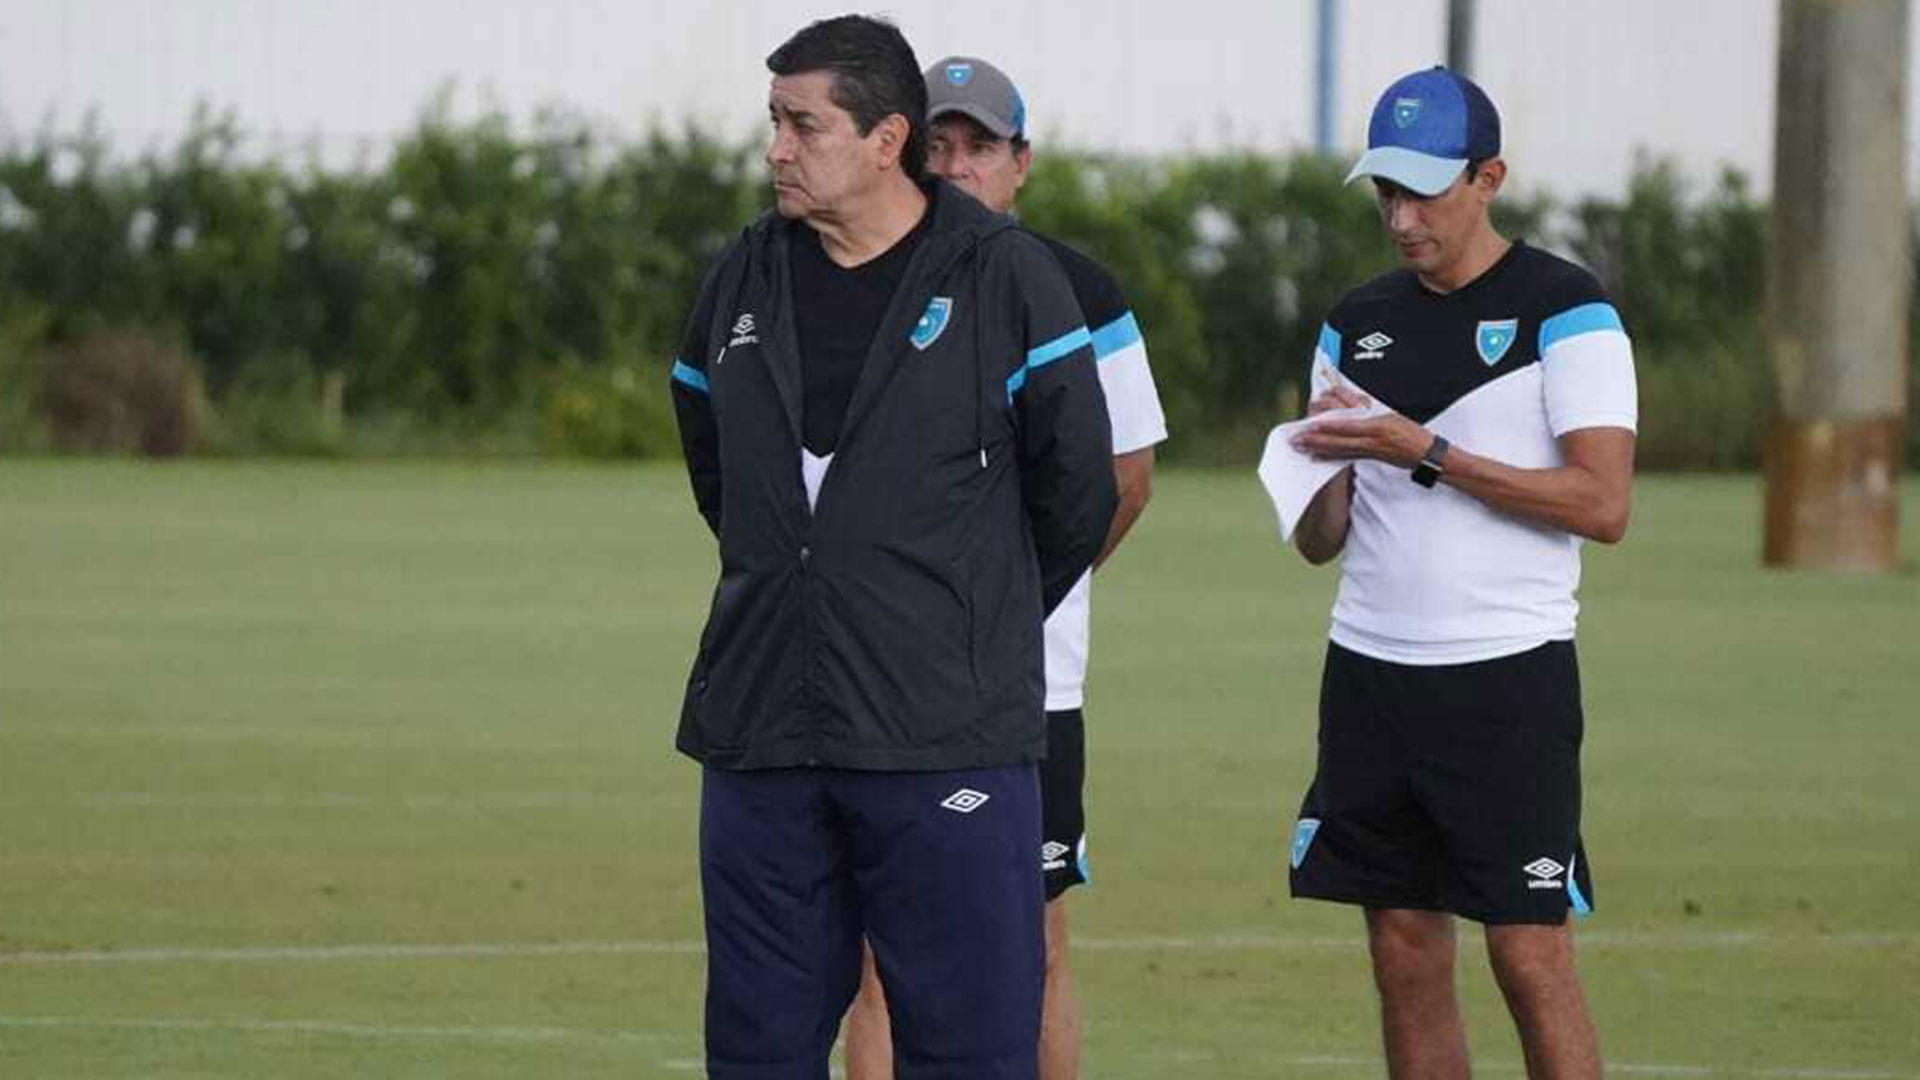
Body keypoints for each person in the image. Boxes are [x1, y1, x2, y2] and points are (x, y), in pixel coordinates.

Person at [667, 15, 1117, 1080]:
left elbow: (1080, 493)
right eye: (773, 121)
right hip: (762, 736)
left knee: (966, 1053)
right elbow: (716, 469)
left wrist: (958, 617)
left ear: (885, 139)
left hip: (945, 743)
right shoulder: (741, 280)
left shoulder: (1007, 279)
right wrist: (808, 583)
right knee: (757, 1050)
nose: (776, 147)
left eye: (801, 124)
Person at [1285, 66, 1636, 1080]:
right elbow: (1323, 540)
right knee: (1400, 949)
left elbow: (1602, 504)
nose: (1401, 218)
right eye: (1386, 192)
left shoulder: (1566, 310)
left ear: (1489, 178)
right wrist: (1318, 471)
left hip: (1504, 676)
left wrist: (1425, 451)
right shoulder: (1355, 320)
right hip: (1369, 672)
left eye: (1425, 191)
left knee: (1528, 954)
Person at [842, 55, 1167, 1080]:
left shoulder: (1081, 289)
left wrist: (1016, 603)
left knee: (1030, 949)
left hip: (1027, 686)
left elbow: (1126, 477)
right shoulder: (852, 279)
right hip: (878, 675)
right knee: (877, 955)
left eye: (978, 146)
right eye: (936, 146)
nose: (956, 165)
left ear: (1020, 163)